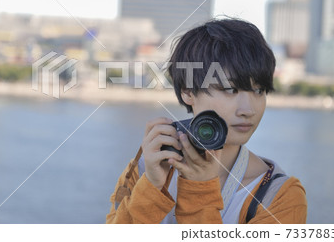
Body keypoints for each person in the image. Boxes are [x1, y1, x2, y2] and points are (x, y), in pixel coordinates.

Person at [106, 18, 307, 224]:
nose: (248, 109)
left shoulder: (279, 196)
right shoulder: (146, 166)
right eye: (230, 89)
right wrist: (151, 186)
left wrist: (200, 189)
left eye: (259, 90)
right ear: (188, 91)